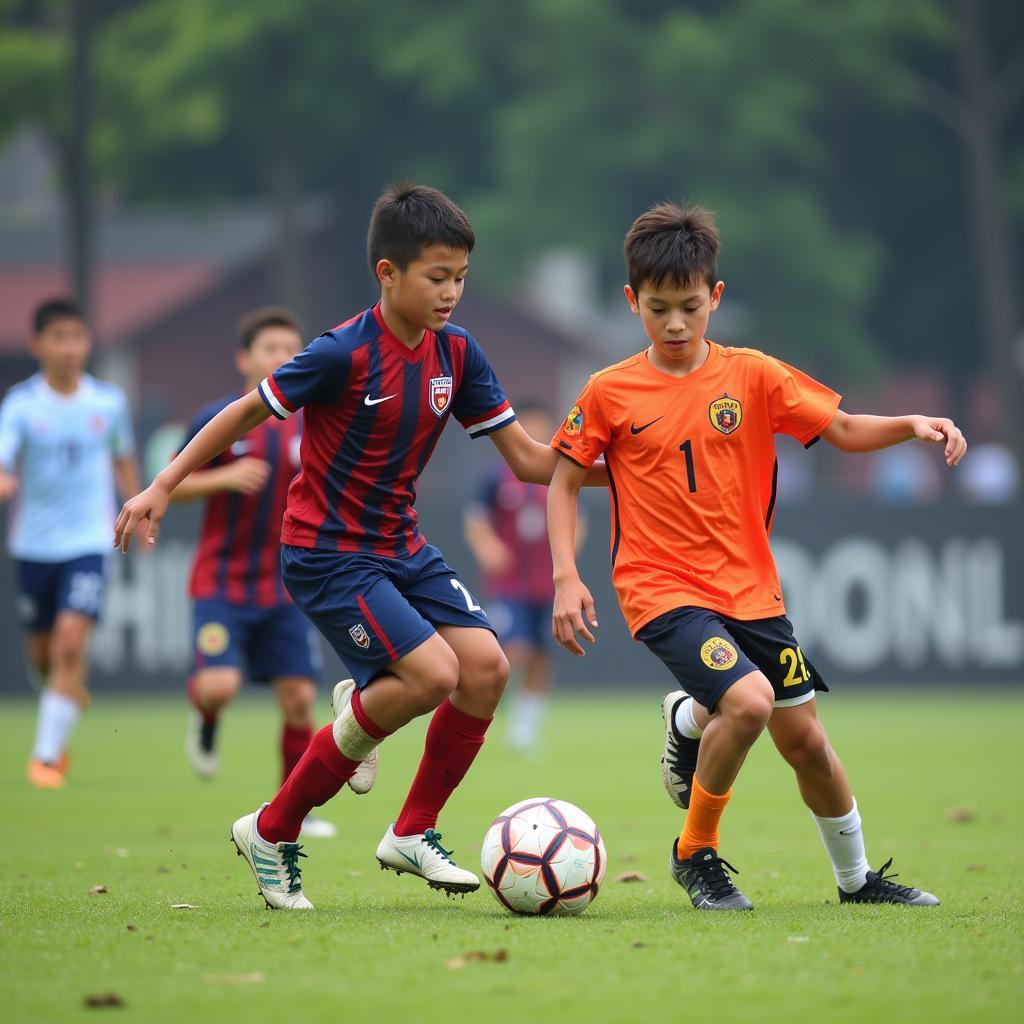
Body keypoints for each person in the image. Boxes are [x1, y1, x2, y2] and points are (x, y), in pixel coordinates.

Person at [114, 183, 606, 910]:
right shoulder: (341, 352)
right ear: (389, 273)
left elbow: (533, 462)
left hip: (401, 547)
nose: (451, 293)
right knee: (434, 674)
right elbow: (242, 414)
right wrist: (160, 485)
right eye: (437, 277)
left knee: (486, 670)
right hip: (326, 552)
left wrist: (629, 467)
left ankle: (411, 830)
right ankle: (273, 829)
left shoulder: (458, 355)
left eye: (461, 277)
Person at [547, 203, 966, 911]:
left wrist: (910, 424)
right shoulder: (609, 390)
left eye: (689, 307)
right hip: (660, 588)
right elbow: (561, 479)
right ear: (631, 303)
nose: (675, 325)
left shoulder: (754, 375)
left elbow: (839, 427)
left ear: (715, 296)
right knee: (747, 701)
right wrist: (566, 576)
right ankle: (695, 853)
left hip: (752, 590)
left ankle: (856, 880)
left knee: (804, 741)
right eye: (657, 310)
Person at [171, 307, 361, 839]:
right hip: (222, 581)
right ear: (244, 359)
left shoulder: (316, 418)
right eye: (269, 349)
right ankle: (206, 720)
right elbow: (171, 482)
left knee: (300, 698)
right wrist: (223, 477)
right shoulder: (220, 417)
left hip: (287, 583)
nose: (281, 358)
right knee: (219, 686)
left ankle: (292, 811)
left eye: (289, 350)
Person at [0, 297, 139, 788]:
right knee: (43, 657)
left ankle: (46, 756)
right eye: (58, 338)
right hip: (33, 546)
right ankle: (65, 697)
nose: (69, 348)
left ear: (87, 343)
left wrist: (137, 507)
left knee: (69, 643)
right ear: (38, 344)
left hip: (88, 541)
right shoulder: (21, 405)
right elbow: (4, 457)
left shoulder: (108, 402)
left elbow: (123, 460)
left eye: (76, 337)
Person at [463, 403, 583, 753]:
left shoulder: (559, 472)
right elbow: (476, 519)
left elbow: (580, 517)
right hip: (509, 584)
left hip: (548, 584)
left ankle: (525, 729)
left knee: (543, 655)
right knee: (512, 649)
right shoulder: (497, 476)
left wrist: (566, 557)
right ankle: (474, 715)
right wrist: (488, 548)